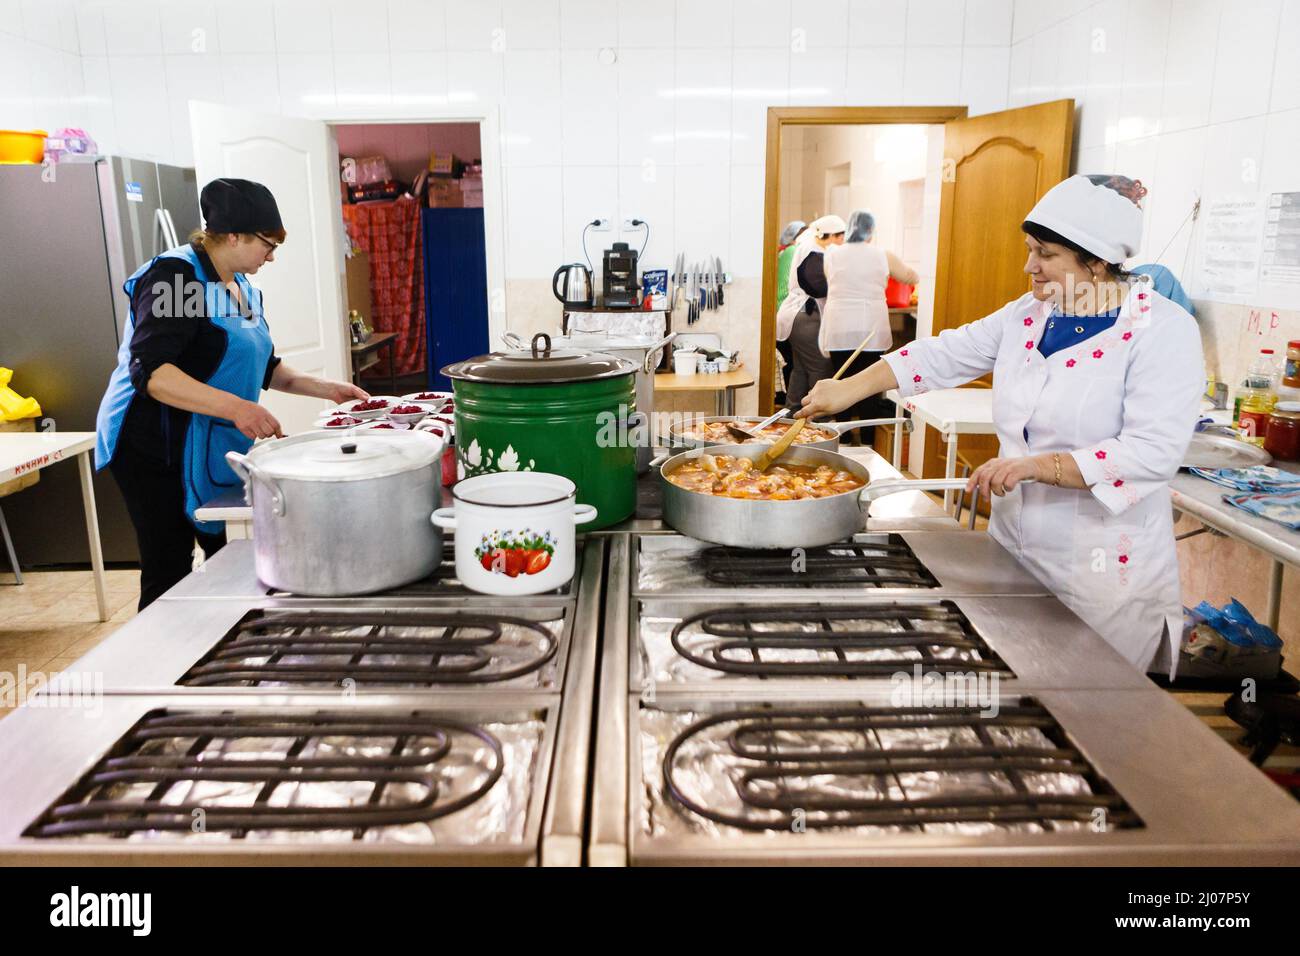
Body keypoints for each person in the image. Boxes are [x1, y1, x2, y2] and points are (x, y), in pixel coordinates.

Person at [798, 174, 1204, 676]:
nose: (1029, 266)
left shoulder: (1162, 330)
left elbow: (1152, 452)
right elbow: (943, 352)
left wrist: (1038, 466)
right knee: (1018, 685)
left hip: (1101, 572)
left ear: (1097, 262)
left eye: (1047, 255)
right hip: (1015, 549)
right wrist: (849, 388)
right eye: (1030, 249)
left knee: (1091, 713)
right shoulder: (1030, 314)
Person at [95, 178, 368, 609]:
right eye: (267, 243)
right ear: (234, 235)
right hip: (154, 444)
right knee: (169, 567)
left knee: (230, 553)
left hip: (209, 442)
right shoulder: (178, 278)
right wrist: (237, 408)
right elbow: (151, 373)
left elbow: (263, 365)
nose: (272, 256)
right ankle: (162, 663)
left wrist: (327, 389)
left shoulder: (243, 287)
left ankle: (217, 645)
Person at [820, 209, 919, 441]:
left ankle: (841, 438)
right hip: (870, 328)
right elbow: (911, 277)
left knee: (840, 381)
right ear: (871, 231)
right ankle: (868, 440)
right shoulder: (882, 255)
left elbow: (832, 280)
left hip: (840, 326)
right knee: (870, 385)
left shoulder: (832, 253)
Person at [780, 214, 845, 408]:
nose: (843, 241)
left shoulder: (808, 247)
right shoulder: (814, 253)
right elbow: (817, 288)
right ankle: (818, 418)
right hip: (807, 317)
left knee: (801, 369)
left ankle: (791, 414)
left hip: (797, 316)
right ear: (829, 235)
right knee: (820, 367)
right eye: (841, 236)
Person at [773, 220, 806, 405]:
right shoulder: (795, 251)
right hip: (787, 312)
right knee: (792, 364)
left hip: (780, 312)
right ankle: (788, 404)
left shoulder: (784, 252)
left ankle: (783, 402)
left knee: (788, 362)